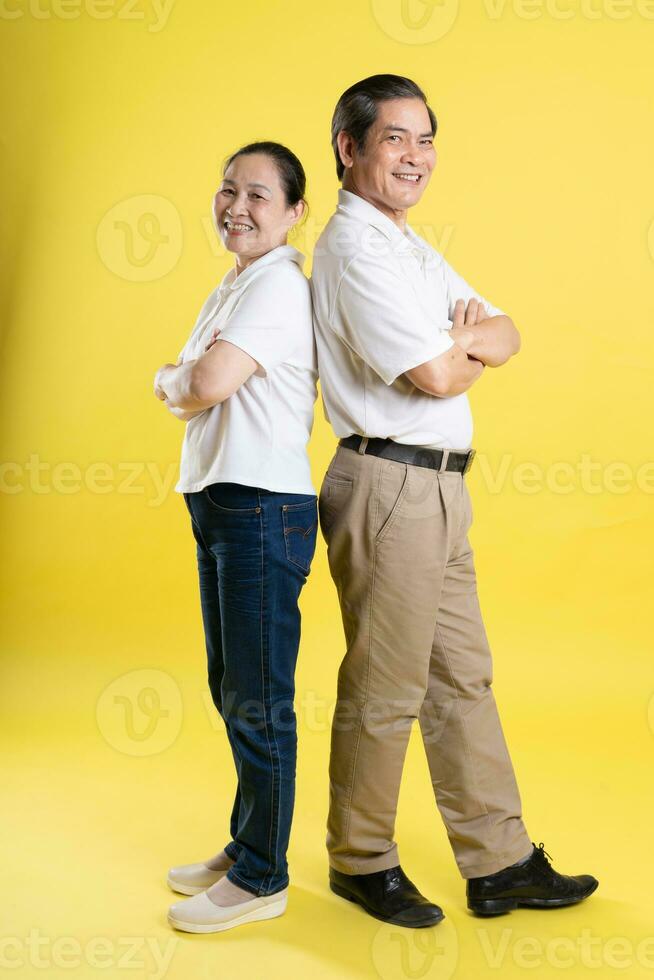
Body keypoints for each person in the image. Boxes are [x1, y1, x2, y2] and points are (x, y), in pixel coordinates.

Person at [311, 74, 598, 925]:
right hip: (390, 481)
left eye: (425, 138)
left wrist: (465, 340)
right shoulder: (354, 250)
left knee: (461, 679)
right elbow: (438, 371)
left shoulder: (407, 245)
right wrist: (462, 344)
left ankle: (499, 860)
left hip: (437, 487)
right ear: (349, 148)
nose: (415, 155)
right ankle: (359, 860)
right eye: (394, 137)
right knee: (386, 685)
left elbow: (507, 330)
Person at [153, 141, 318, 934]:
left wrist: (171, 379)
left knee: (258, 699)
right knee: (234, 688)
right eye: (227, 190)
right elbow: (202, 380)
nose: (236, 207)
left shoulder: (278, 287)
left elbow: (204, 382)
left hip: (261, 507)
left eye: (257, 195)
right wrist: (186, 379)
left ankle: (263, 877)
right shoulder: (238, 282)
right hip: (225, 503)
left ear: (294, 213)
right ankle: (248, 839)